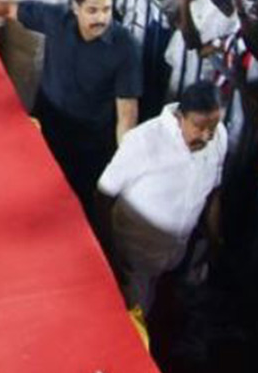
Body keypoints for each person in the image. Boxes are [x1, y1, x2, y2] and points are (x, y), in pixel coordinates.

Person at [0, 0, 139, 209]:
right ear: (75, 7)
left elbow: (127, 112)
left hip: (90, 142)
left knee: (76, 201)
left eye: (106, 10)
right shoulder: (55, 18)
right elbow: (6, 7)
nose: (101, 18)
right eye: (92, 10)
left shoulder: (125, 47)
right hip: (48, 124)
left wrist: (123, 162)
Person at [95, 80, 227, 313]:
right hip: (132, 261)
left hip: (175, 255)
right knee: (132, 317)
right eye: (199, 127)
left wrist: (214, 239)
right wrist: (110, 257)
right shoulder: (143, 141)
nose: (208, 136)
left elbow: (214, 190)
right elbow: (103, 196)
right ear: (180, 117)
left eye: (213, 127)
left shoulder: (219, 137)